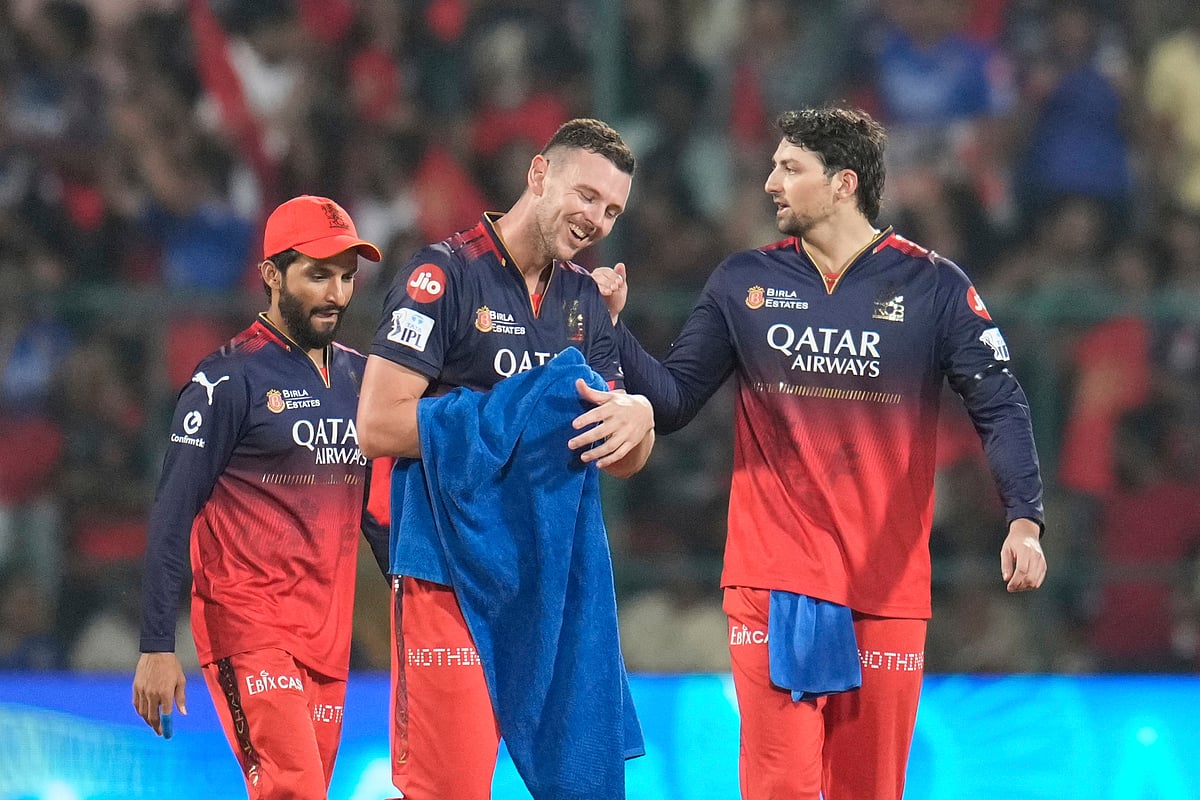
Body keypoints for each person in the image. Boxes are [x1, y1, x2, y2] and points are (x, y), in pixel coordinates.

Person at [591, 106, 1048, 800]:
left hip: (883, 587)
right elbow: (677, 398)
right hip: (771, 581)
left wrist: (1024, 517)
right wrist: (615, 329)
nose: (770, 181)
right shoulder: (742, 283)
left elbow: (1000, 403)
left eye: (789, 168)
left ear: (843, 184)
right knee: (781, 788)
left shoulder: (933, 287)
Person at [356, 118, 655, 800]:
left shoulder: (583, 300)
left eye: (612, 211)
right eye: (586, 195)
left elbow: (621, 456)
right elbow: (375, 424)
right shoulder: (443, 275)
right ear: (539, 174)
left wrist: (636, 422)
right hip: (445, 573)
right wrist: (521, 406)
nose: (596, 220)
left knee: (583, 783)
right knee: (448, 788)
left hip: (549, 581)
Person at [132, 195, 390, 800]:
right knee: (293, 788)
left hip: (327, 638)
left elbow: (379, 517)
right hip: (247, 629)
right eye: (318, 274)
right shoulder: (226, 380)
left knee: (300, 791)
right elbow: (174, 510)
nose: (336, 294)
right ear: (272, 275)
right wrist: (154, 646)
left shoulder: (363, 379)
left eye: (347, 277)